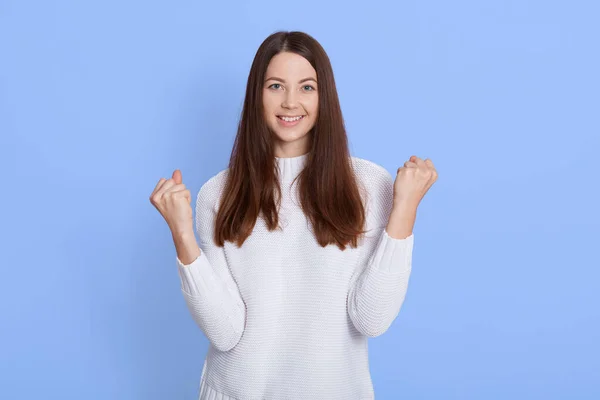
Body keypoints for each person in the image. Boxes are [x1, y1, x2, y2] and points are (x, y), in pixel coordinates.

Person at [150, 30, 437, 400]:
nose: (290, 102)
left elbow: (372, 319)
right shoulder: (218, 194)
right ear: (257, 94)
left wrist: (405, 210)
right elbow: (226, 331)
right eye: (275, 86)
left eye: (306, 88)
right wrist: (182, 236)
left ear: (324, 97)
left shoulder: (367, 185)